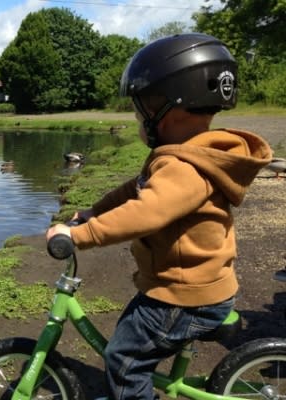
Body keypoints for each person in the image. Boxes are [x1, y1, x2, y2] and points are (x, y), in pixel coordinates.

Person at [46, 33, 272, 400]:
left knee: (123, 360)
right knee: (132, 331)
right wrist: (92, 211)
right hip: (182, 286)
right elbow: (133, 189)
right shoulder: (186, 154)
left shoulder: (185, 168)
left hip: (185, 295)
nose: (138, 115)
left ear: (173, 107)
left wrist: (79, 236)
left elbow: (146, 212)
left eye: (144, 105)